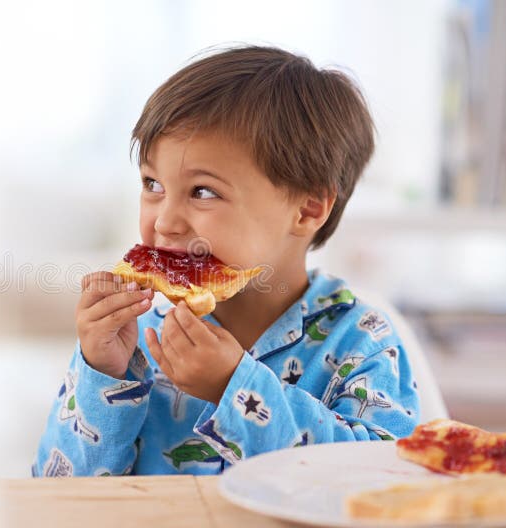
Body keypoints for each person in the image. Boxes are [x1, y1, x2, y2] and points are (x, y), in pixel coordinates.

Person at [33, 45, 419, 477]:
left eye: (202, 191)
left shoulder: (362, 341)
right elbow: (59, 491)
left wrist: (235, 389)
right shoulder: (133, 336)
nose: (165, 221)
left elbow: (385, 480)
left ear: (308, 209)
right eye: (152, 183)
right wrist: (101, 374)